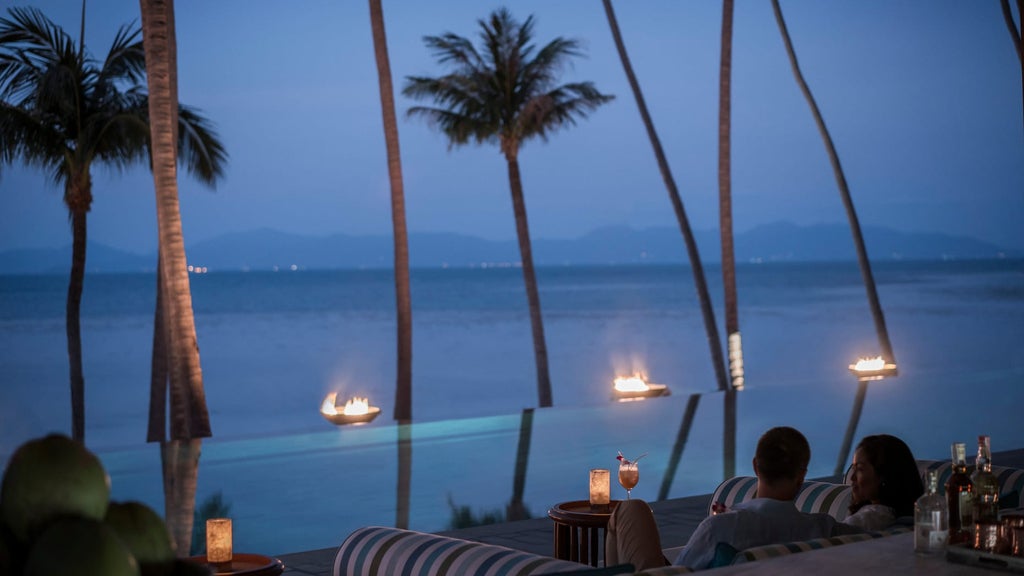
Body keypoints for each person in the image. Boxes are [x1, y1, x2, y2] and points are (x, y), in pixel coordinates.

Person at [605, 426, 863, 571]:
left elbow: (678, 570)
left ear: (755, 466)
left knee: (632, 510)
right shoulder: (824, 528)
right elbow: (871, 527)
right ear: (801, 475)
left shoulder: (721, 528)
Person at [844, 434, 924, 530]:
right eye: (853, 469)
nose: (852, 477)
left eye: (860, 469)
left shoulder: (872, 518)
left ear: (883, 475)